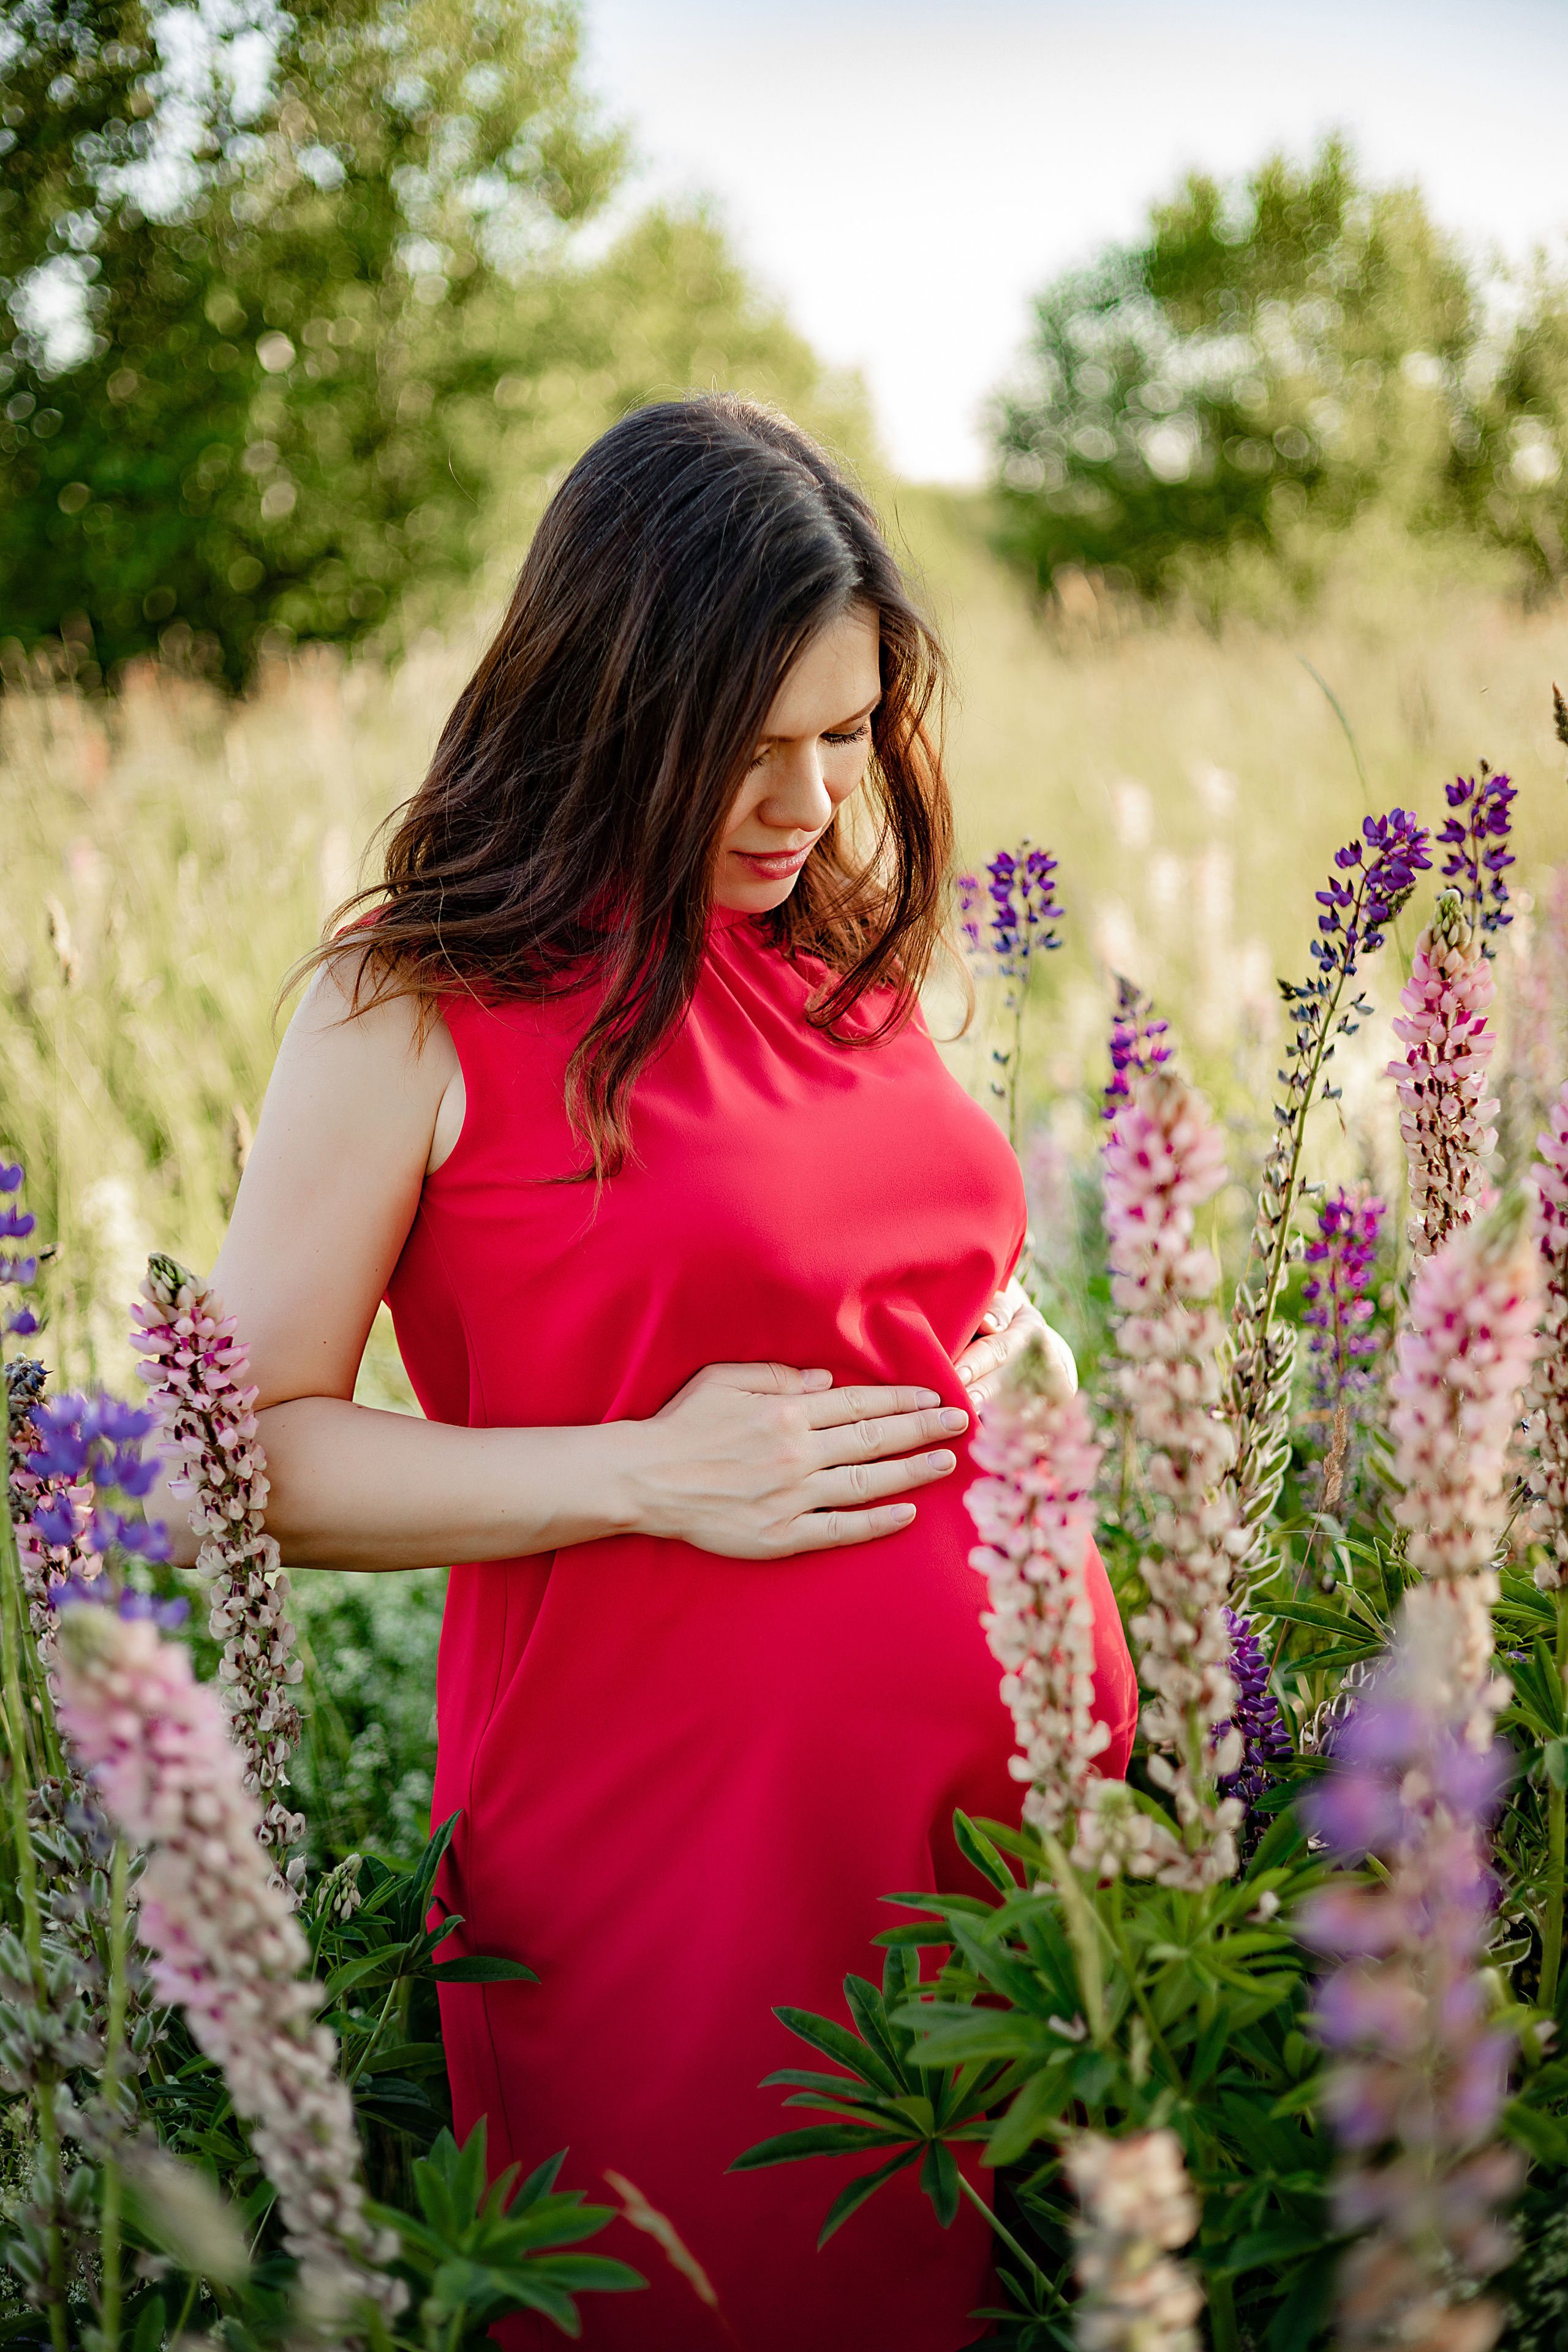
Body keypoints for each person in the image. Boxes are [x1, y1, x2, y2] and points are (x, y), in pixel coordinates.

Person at [197, 395, 1137, 2350]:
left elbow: (876, 1267)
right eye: (750, 746)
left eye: (847, 735)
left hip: (980, 1834)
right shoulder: (415, 1000)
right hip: (676, 1870)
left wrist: (1014, 1355)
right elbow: (250, 1451)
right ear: (611, 703)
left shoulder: (831, 952)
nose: (808, 801)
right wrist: (639, 1469)